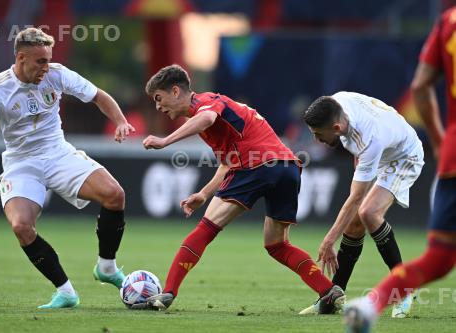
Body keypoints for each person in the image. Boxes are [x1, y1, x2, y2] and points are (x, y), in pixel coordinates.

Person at [135, 64, 345, 312]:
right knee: (277, 245)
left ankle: (167, 293)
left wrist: (165, 141)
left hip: (257, 164)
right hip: (286, 167)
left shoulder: (206, 102)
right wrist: (204, 193)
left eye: (159, 99)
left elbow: (207, 118)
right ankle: (329, 292)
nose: (158, 107)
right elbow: (227, 164)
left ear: (175, 91)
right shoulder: (210, 114)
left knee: (205, 230)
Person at [0, 28, 135, 309]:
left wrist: (119, 120)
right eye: (40, 61)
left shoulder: (58, 74)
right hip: (22, 163)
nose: (46, 67)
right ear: (20, 58)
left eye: (48, 59)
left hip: (58, 154)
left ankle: (106, 267)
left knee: (115, 194)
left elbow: (98, 96)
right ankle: (66, 292)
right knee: (21, 226)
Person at [343, 7, 456, 332]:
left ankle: (370, 304)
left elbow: (420, 86)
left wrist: (439, 139)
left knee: (439, 258)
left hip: (451, 157)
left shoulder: (447, 21)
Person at [300, 91, 424, 317]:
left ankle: (404, 289)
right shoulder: (335, 104)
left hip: (404, 156)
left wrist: (329, 241)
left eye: (318, 135)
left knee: (368, 212)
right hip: (383, 146)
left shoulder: (368, 138)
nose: (317, 140)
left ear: (336, 128)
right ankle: (331, 298)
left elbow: (356, 198)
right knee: (354, 223)